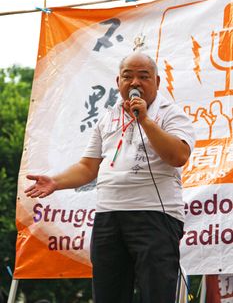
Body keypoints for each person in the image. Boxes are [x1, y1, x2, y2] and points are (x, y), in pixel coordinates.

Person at [25, 52, 196, 303]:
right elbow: (87, 167)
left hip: (155, 217)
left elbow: (178, 155)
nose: (135, 83)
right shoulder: (108, 117)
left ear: (157, 82)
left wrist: (145, 120)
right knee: (108, 294)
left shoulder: (171, 114)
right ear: (118, 82)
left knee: (156, 293)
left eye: (143, 77)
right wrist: (55, 182)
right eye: (128, 77)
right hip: (109, 217)